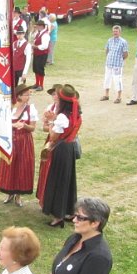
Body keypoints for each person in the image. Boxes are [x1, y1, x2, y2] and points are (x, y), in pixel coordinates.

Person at [38, 84, 81, 228]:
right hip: (68, 148)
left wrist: (51, 121)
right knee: (67, 180)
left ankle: (58, 216)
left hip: (60, 149)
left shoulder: (62, 116)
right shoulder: (74, 113)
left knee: (57, 180)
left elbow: (54, 136)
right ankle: (68, 211)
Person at [0, 84, 37, 208]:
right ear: (19, 95)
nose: (28, 96)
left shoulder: (31, 109)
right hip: (10, 141)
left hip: (24, 141)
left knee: (22, 166)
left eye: (29, 94)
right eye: (26, 94)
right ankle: (9, 192)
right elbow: (1, 123)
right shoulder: (11, 108)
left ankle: (18, 194)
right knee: (9, 166)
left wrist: (24, 126)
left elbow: (33, 128)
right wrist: (12, 125)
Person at [102, 25, 128, 104]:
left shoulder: (123, 42)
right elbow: (107, 50)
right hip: (109, 64)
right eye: (113, 31)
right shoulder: (109, 40)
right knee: (107, 79)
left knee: (117, 80)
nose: (115, 33)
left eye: (116, 31)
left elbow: (126, 54)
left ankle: (119, 97)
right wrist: (109, 58)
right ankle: (106, 95)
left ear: (119, 32)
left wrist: (120, 60)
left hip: (117, 65)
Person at [31, 20, 50, 92]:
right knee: (36, 68)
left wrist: (36, 47)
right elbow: (34, 39)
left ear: (41, 26)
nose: (37, 27)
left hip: (42, 54)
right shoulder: (38, 33)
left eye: (38, 25)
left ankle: (41, 85)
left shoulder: (45, 34)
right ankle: (37, 83)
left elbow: (45, 46)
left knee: (40, 69)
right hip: (37, 53)